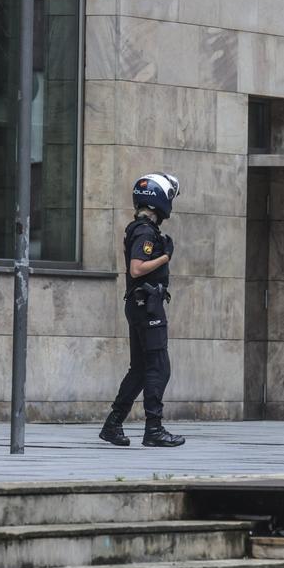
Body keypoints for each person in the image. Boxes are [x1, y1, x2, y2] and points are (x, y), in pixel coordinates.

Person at [99, 173, 186, 448]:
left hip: (139, 304)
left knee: (139, 369)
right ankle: (154, 429)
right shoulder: (146, 232)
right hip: (146, 306)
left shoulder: (139, 228)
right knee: (158, 366)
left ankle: (113, 424)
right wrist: (165, 256)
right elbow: (137, 268)